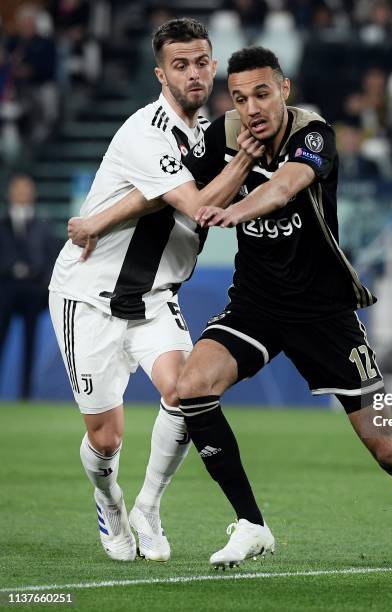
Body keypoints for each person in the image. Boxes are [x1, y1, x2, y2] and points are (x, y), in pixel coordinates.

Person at [180, 47, 392, 572]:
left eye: (261, 93)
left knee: (386, 445)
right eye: (239, 98)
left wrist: (233, 209)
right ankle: (252, 525)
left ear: (285, 88)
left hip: (324, 311)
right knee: (191, 386)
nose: (251, 107)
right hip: (256, 302)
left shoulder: (314, 133)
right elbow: (180, 191)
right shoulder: (224, 135)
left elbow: (284, 188)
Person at [49, 17, 263, 563]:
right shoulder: (146, 132)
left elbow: (155, 199)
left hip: (154, 298)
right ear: (160, 73)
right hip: (89, 297)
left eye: (201, 62)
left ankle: (147, 505)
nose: (193, 74)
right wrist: (246, 156)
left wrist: (98, 219)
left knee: (187, 392)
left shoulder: (206, 133)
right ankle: (110, 502)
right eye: (180, 64)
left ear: (213, 65)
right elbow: (195, 206)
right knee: (106, 439)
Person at [0, 174, 57, 399]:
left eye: (26, 188)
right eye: (18, 188)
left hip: (34, 291)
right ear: (9, 193)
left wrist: (44, 283)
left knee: (30, 343)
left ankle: (26, 394)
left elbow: (51, 255)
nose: (22, 193)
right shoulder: (2, 223)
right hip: (5, 288)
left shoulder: (44, 225)